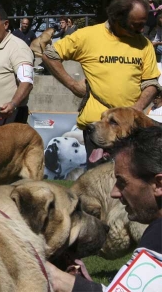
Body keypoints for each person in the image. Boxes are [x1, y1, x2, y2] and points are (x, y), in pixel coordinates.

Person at [41, 0, 161, 169]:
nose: (141, 29)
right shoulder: (88, 35)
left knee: (133, 191)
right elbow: (50, 55)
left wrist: (135, 111)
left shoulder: (144, 44)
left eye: (143, 24)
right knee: (99, 190)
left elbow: (151, 83)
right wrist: (73, 85)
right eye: (135, 24)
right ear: (118, 18)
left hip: (132, 133)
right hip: (98, 130)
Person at [46, 125, 162, 292]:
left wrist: (56, 279)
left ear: (158, 184)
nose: (114, 193)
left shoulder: (159, 234)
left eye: (122, 182)